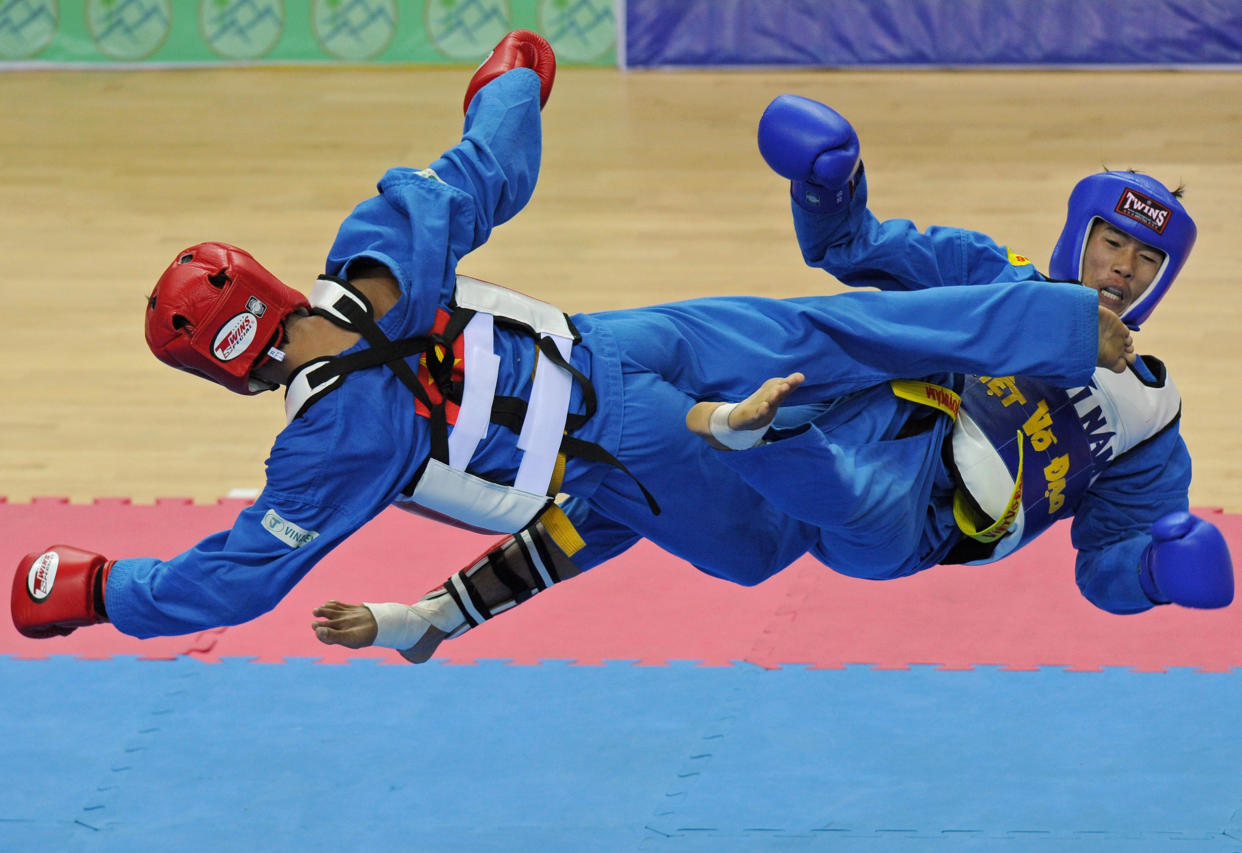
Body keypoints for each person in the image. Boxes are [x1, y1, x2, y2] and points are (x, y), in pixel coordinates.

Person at [7, 38, 1219, 663]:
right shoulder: (372, 307)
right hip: (648, 450)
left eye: (1138, 262)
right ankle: (762, 432)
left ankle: (756, 429)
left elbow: (488, 169)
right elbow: (487, 169)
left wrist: (1154, 570)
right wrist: (517, 79)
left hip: (629, 351)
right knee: (792, 433)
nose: (1121, 267)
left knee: (810, 336)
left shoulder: (1150, 427)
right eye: (1108, 245)